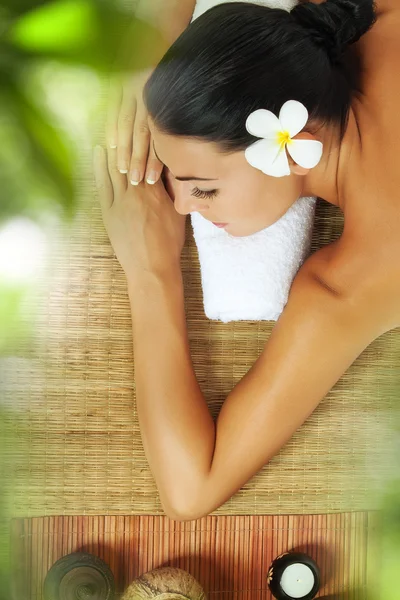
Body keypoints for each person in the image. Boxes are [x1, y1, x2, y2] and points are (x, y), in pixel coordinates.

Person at [93, 0, 400, 522]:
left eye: (204, 189)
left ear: (290, 146)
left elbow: (192, 489)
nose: (182, 207)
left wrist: (152, 272)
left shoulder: (367, 274)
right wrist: (159, 45)